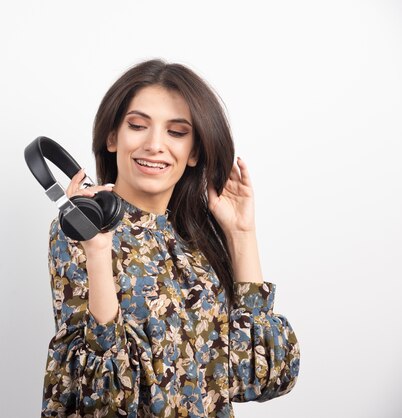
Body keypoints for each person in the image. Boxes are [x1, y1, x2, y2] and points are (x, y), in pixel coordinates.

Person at [41, 59, 300, 418]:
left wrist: (242, 233)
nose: (154, 145)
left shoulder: (193, 243)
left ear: (194, 152)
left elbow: (260, 377)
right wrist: (98, 253)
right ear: (112, 137)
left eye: (176, 132)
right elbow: (101, 399)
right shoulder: (83, 228)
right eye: (137, 125)